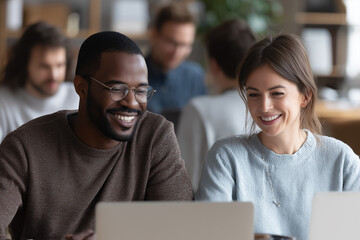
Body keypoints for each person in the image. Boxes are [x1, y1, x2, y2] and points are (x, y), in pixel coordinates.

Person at [0, 31, 193, 240]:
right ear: (81, 87)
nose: (131, 102)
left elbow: (180, 228)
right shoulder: (24, 147)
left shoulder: (155, 136)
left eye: (141, 91)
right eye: (117, 89)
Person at [196, 34, 360, 240]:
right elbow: (210, 235)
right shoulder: (226, 157)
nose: (264, 107)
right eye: (254, 94)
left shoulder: (342, 160)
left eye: (277, 93)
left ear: (305, 96)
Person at [177, 19, 256, 191]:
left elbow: (184, 181)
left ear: (213, 65)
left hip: (210, 214)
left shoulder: (198, 109)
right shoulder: (268, 109)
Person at [0, 21, 79, 142]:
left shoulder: (79, 97)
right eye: (44, 66)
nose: (54, 75)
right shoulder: (3, 102)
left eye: (59, 65)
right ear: (25, 64)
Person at [145, 2, 207, 122]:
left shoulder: (195, 77)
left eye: (185, 45)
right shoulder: (133, 75)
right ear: (153, 35)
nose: (177, 52)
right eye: (171, 42)